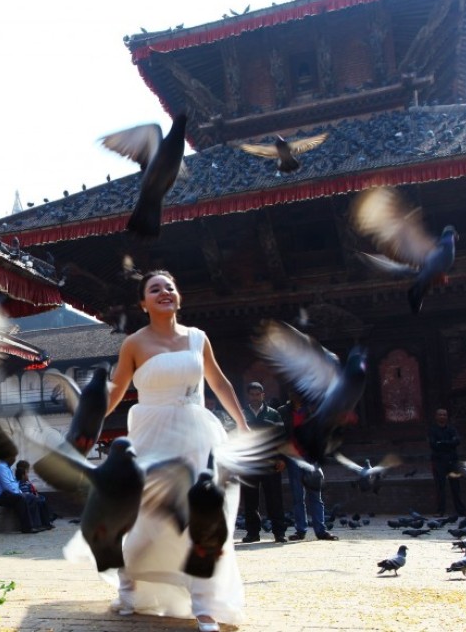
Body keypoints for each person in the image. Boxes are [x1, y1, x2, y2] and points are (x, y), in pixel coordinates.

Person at [101, 270, 250, 632]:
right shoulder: (134, 344)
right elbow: (116, 391)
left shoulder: (199, 339)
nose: (164, 292)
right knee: (145, 520)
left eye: (170, 287)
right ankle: (130, 585)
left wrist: (243, 424)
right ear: (144, 302)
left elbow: (218, 381)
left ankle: (204, 605)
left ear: (178, 296)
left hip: (196, 436)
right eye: (155, 289)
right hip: (151, 438)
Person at [277, 397, 338, 542]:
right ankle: (300, 530)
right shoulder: (283, 411)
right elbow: (280, 435)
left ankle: (321, 530)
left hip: (311, 456)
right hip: (293, 457)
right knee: (298, 496)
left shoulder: (313, 409)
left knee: (315, 495)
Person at [239, 382, 287, 544]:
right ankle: (252, 533)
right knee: (250, 500)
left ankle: (279, 532)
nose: (255, 397)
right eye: (252, 394)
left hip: (271, 462)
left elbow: (282, 438)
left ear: (263, 395)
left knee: (274, 498)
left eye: (257, 394)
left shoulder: (273, 414)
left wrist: (281, 458)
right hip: (249, 462)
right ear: (248, 396)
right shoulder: (241, 414)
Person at [0, 454, 43, 534]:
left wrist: (21, 493)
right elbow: (7, 486)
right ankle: (27, 528)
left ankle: (36, 525)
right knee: (21, 499)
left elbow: (14, 485)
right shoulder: (1, 467)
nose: (14, 459)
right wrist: (21, 494)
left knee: (31, 497)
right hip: (0, 497)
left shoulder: (7, 468)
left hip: (8, 494)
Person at [428, 408, 466, 517]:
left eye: (444, 415)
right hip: (438, 462)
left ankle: (461, 511)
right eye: (440, 415)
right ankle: (440, 511)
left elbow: (457, 441)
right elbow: (434, 445)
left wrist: (442, 443)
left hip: (452, 461)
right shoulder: (432, 430)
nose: (442, 417)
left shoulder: (452, 429)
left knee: (456, 487)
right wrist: (449, 443)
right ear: (436, 417)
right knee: (440, 487)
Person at [15, 459, 54, 529]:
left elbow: (32, 489)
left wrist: (35, 493)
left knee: (42, 500)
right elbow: (23, 492)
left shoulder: (26, 481)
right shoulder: (18, 482)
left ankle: (47, 522)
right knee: (40, 501)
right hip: (27, 498)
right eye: (27, 471)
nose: (28, 473)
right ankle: (44, 523)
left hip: (31, 496)